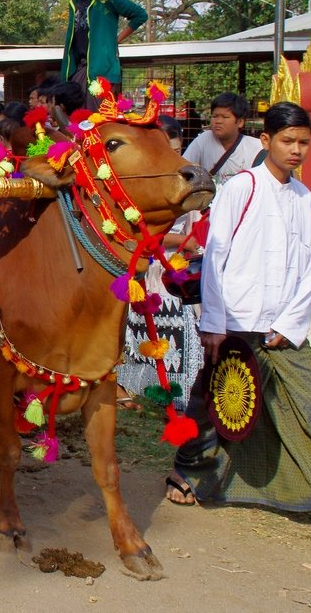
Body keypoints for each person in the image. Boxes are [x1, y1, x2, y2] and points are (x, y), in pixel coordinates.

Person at [164, 102, 311, 537]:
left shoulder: (303, 198)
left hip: (284, 328)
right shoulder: (242, 188)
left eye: (304, 142)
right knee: (214, 407)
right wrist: (213, 321)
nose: (297, 150)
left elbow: (308, 268)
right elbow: (217, 256)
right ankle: (185, 475)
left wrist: (291, 322)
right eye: (288, 141)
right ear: (266, 141)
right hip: (234, 321)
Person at [118, 115, 203, 410]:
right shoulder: (143, 183)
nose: (173, 159)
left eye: (177, 152)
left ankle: (177, 393)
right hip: (146, 264)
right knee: (136, 327)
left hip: (175, 268)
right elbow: (137, 229)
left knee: (178, 328)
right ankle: (134, 385)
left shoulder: (188, 176)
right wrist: (180, 242)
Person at [60, 0, 147, 98]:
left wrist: (115, 41)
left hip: (102, 72)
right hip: (78, 69)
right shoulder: (74, 0)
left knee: (99, 117)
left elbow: (140, 15)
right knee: (77, 117)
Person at [182, 92, 263, 186]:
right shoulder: (203, 140)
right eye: (215, 116)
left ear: (240, 122)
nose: (218, 121)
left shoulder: (256, 147)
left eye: (225, 117)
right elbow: (183, 169)